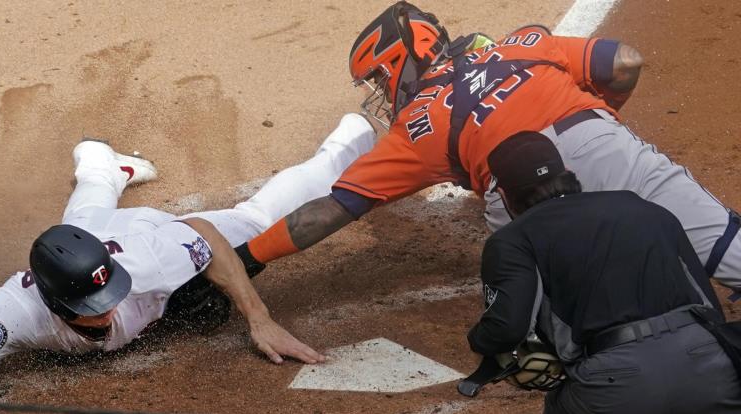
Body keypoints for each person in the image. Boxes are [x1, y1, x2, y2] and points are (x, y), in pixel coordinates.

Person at [0, 113, 377, 414]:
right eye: (91, 308)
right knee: (78, 225)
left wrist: (258, 316)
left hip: (147, 234)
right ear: (52, 302)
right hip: (99, 241)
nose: (106, 313)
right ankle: (99, 164)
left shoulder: (153, 260)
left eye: (107, 299)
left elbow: (204, 235)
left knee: (254, 219)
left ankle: (352, 136)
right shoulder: (15, 310)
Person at [240, 1, 740, 299]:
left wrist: (248, 257)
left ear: (403, 59)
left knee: (563, 308)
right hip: (601, 142)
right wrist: (601, 117)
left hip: (522, 195)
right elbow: (626, 62)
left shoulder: (417, 126)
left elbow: (329, 212)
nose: (379, 88)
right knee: (724, 249)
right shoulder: (520, 42)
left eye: (378, 75)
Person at [465, 131, 740, 414]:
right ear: (569, 174)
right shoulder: (643, 207)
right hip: (707, 370)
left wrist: (478, 342)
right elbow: (708, 308)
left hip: (614, 388)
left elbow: (506, 328)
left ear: (505, 196)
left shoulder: (513, 240)